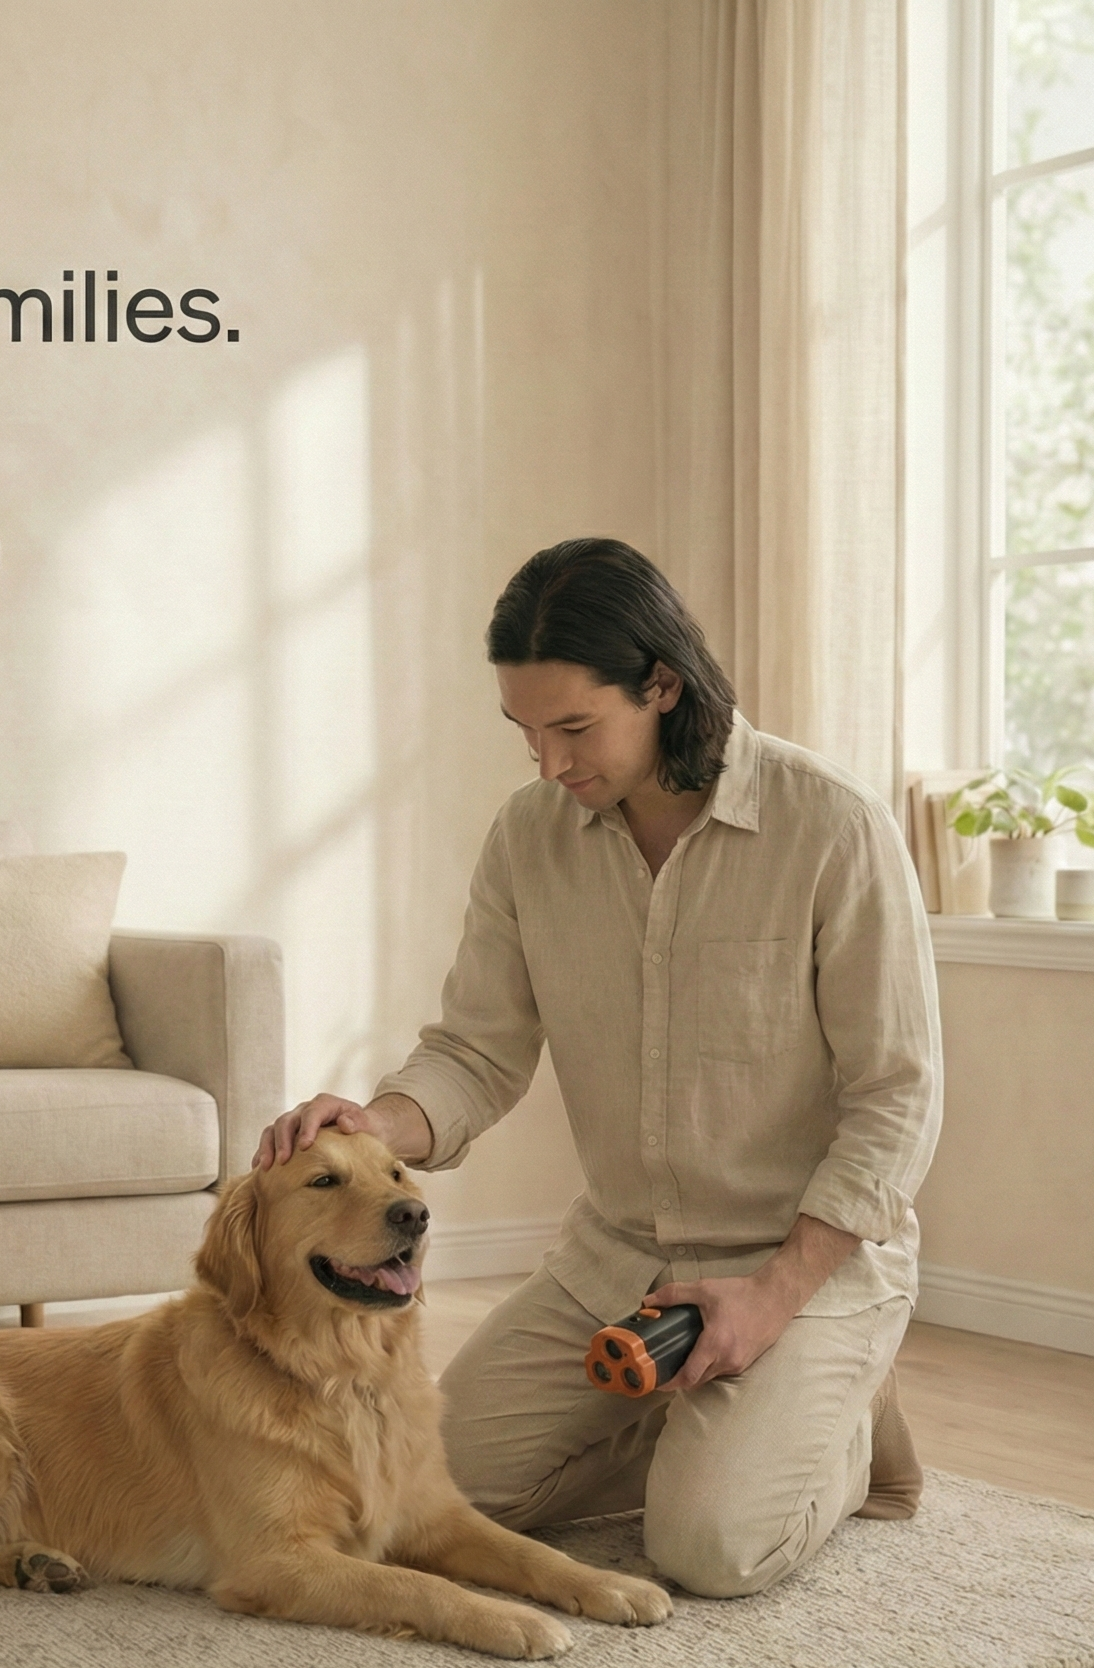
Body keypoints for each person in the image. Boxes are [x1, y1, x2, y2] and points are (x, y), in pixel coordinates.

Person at [254, 536, 941, 1600]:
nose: (550, 765)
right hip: (615, 1260)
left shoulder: (830, 827)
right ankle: (709, 1427)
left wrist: (774, 1295)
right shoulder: (530, 838)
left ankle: (840, 1416)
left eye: (574, 728)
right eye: (525, 733)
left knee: (710, 1550)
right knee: (420, 1502)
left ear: (661, 684)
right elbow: (475, 1052)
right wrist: (376, 1125)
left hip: (798, 1262)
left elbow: (896, 1095)